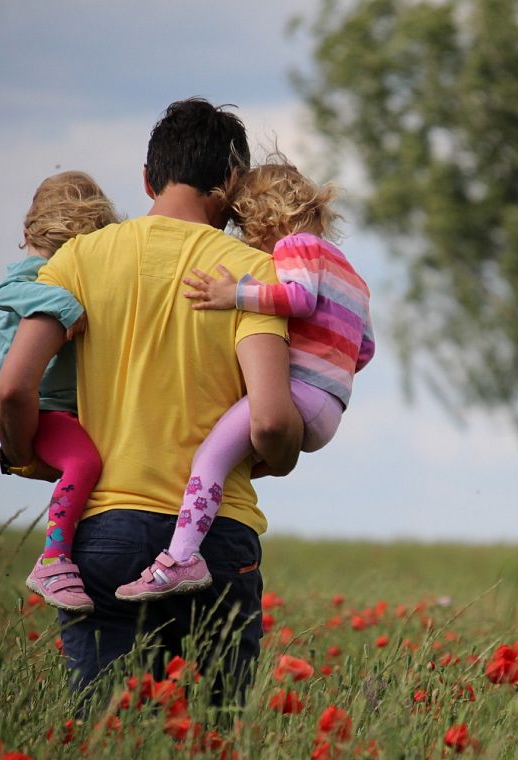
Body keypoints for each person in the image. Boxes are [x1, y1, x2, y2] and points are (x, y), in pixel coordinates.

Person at [0, 98, 303, 698]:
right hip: (216, 539)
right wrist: (282, 454)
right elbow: (268, 420)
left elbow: (12, 388)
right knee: (211, 735)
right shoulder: (252, 273)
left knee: (109, 731)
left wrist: (28, 454)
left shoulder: (78, 259)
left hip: (103, 531)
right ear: (232, 184)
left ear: (146, 178)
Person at [115, 156, 375, 601]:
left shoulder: (297, 248)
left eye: (245, 225)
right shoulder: (352, 274)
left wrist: (233, 294)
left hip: (299, 393)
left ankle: (181, 558)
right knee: (230, 461)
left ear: (267, 216)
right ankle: (194, 538)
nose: (246, 238)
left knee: (209, 459)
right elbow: (364, 349)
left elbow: (298, 298)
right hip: (330, 406)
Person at [0, 171, 118, 614]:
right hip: (44, 409)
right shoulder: (32, 276)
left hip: (65, 409)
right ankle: (53, 559)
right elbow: (8, 291)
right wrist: (66, 305)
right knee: (84, 462)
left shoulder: (54, 271)